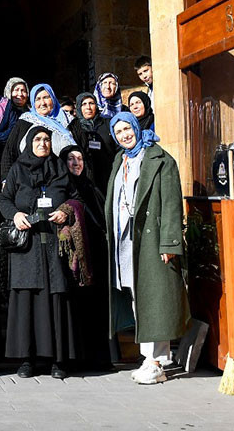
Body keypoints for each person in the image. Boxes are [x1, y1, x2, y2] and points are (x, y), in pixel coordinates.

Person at [104, 111, 188, 385]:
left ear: (137, 127)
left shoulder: (159, 159)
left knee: (155, 298)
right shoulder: (121, 158)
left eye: (127, 128)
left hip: (151, 240)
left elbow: (172, 203)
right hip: (126, 240)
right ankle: (148, 356)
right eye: (119, 132)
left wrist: (170, 242)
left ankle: (157, 361)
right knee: (137, 296)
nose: (124, 135)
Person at [0, 126, 80, 379]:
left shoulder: (60, 170)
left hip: (54, 245)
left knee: (55, 299)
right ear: (29, 143)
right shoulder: (18, 170)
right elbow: (3, 200)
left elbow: (76, 199)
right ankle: (26, 360)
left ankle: (57, 361)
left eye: (47, 139)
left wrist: (65, 210)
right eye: (38, 139)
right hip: (27, 247)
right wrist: (16, 214)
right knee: (26, 300)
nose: (43, 143)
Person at [62, 146, 112, 368]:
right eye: (71, 159)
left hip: (97, 255)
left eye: (80, 159)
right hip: (76, 258)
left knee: (97, 307)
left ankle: (100, 359)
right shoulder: (62, 187)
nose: (76, 163)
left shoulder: (92, 187)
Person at [1, 83, 75, 181]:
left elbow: (82, 150)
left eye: (46, 97)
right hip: (28, 182)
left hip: (64, 181)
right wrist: (6, 180)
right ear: (32, 102)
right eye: (38, 99)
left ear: (53, 98)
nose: (42, 103)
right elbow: (9, 152)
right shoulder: (24, 121)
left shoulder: (68, 121)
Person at [70, 92, 115, 188]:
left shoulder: (107, 123)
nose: (88, 107)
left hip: (108, 174)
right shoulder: (74, 127)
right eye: (84, 104)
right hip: (85, 178)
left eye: (91, 103)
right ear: (78, 107)